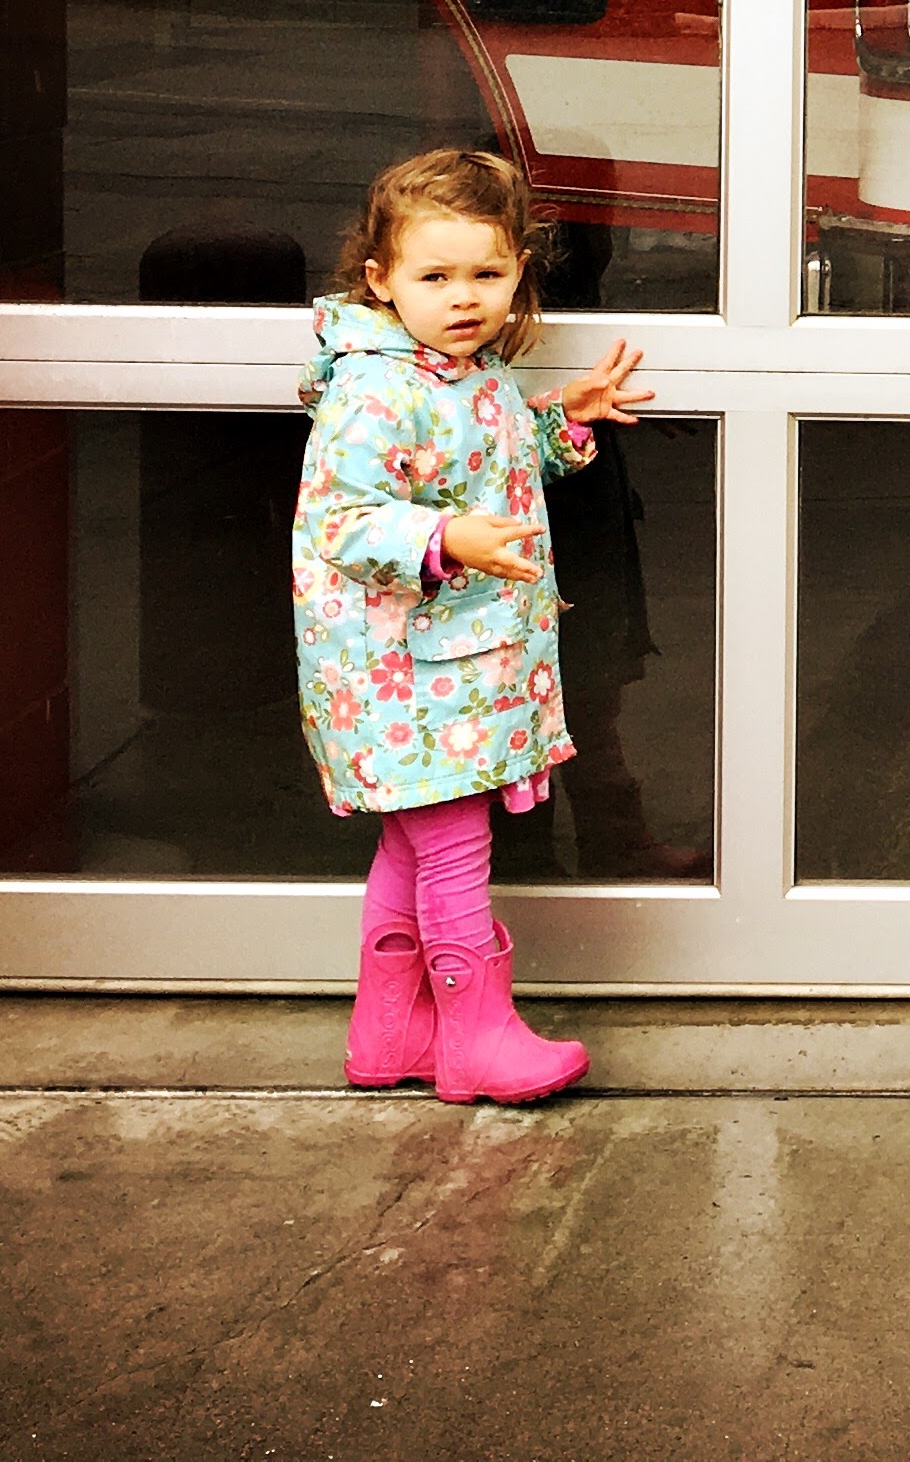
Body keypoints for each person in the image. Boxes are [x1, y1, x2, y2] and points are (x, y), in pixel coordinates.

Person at [294, 148, 653, 1104]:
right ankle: (477, 1040)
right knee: (454, 853)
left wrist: (561, 422)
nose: (464, 297)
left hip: (447, 673)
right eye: (435, 277)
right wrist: (445, 538)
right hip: (410, 680)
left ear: (518, 272)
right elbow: (343, 522)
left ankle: (391, 1033)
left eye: (487, 274)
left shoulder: (462, 373)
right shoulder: (376, 390)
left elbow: (484, 464)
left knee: (410, 847)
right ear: (381, 280)